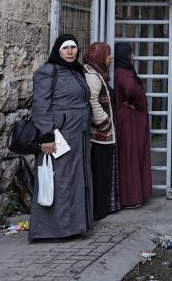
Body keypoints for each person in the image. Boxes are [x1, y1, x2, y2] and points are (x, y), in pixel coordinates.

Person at [28, 34, 93, 240]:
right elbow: (40, 105)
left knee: (75, 180)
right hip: (59, 136)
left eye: (73, 47)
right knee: (59, 180)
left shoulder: (76, 71)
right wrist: (46, 136)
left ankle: (73, 226)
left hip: (78, 136)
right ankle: (52, 230)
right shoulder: (47, 72)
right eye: (65, 48)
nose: (70, 52)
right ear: (58, 50)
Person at [83, 42, 120, 220]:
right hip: (99, 136)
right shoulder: (92, 76)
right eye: (108, 54)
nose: (111, 57)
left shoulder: (96, 73)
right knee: (99, 173)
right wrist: (105, 124)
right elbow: (92, 102)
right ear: (100, 56)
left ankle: (102, 208)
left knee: (102, 172)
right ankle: (99, 210)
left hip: (101, 135)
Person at [114, 43, 152, 208]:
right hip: (130, 120)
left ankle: (134, 194)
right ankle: (131, 196)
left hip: (130, 118)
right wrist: (134, 102)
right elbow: (131, 88)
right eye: (131, 52)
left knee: (132, 155)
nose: (134, 56)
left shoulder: (120, 71)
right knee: (131, 155)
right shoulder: (124, 73)